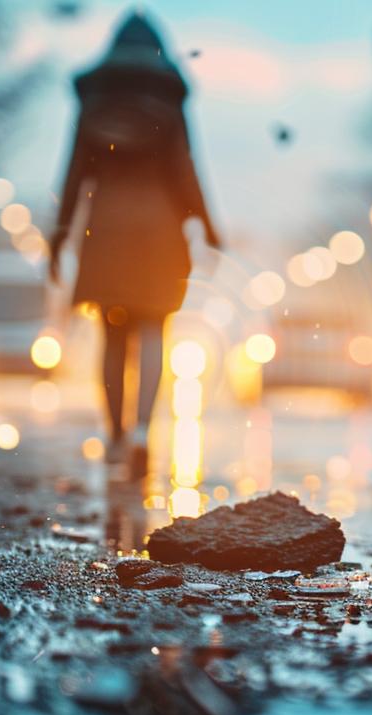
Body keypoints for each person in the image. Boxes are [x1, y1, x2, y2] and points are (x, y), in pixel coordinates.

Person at [49, 13, 219, 477]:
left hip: (105, 227)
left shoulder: (94, 101)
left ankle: (116, 435)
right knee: (153, 330)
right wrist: (207, 226)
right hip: (159, 230)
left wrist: (60, 235)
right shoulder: (168, 100)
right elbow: (186, 170)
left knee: (112, 333)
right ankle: (143, 430)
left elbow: (74, 174)